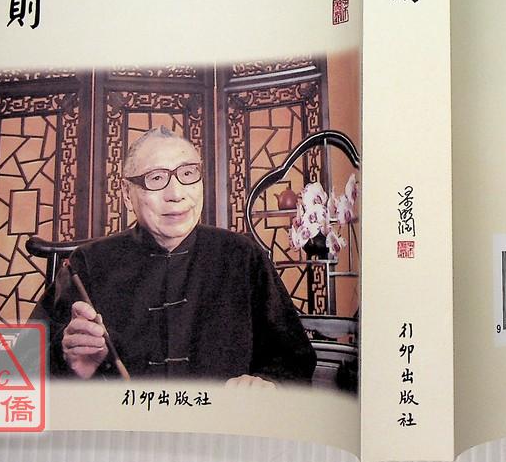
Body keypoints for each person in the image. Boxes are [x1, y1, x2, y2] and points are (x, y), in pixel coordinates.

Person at [32, 126, 316, 386]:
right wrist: (68, 363)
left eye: (188, 174)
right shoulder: (88, 263)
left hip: (220, 423)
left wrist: (267, 385)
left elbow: (294, 360)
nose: (176, 194)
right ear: (127, 194)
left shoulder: (242, 255)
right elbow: (26, 364)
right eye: (156, 178)